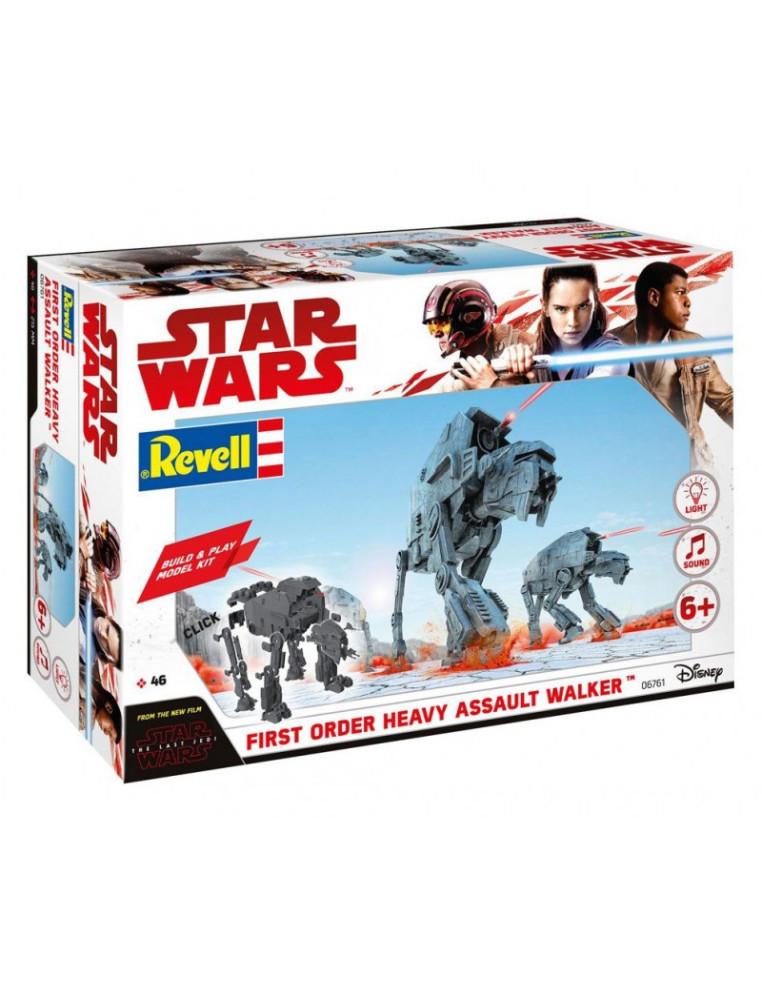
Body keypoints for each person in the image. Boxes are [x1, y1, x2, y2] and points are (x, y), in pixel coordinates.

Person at [610, 261, 733, 466]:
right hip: (636, 464)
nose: (688, 302)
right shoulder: (611, 345)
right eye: (680, 292)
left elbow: (726, 402)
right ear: (654, 297)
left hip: (692, 464)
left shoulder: (694, 347)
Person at [499, 264, 627, 384]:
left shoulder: (611, 353)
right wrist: (505, 370)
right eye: (561, 309)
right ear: (545, 306)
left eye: (582, 306)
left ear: (596, 301)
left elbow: (595, 387)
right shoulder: (531, 355)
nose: (573, 322)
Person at [422, 279, 536, 391]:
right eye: (432, 327)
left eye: (443, 324)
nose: (436, 334)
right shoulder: (454, 378)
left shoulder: (530, 349)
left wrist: (494, 385)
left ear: (471, 319)